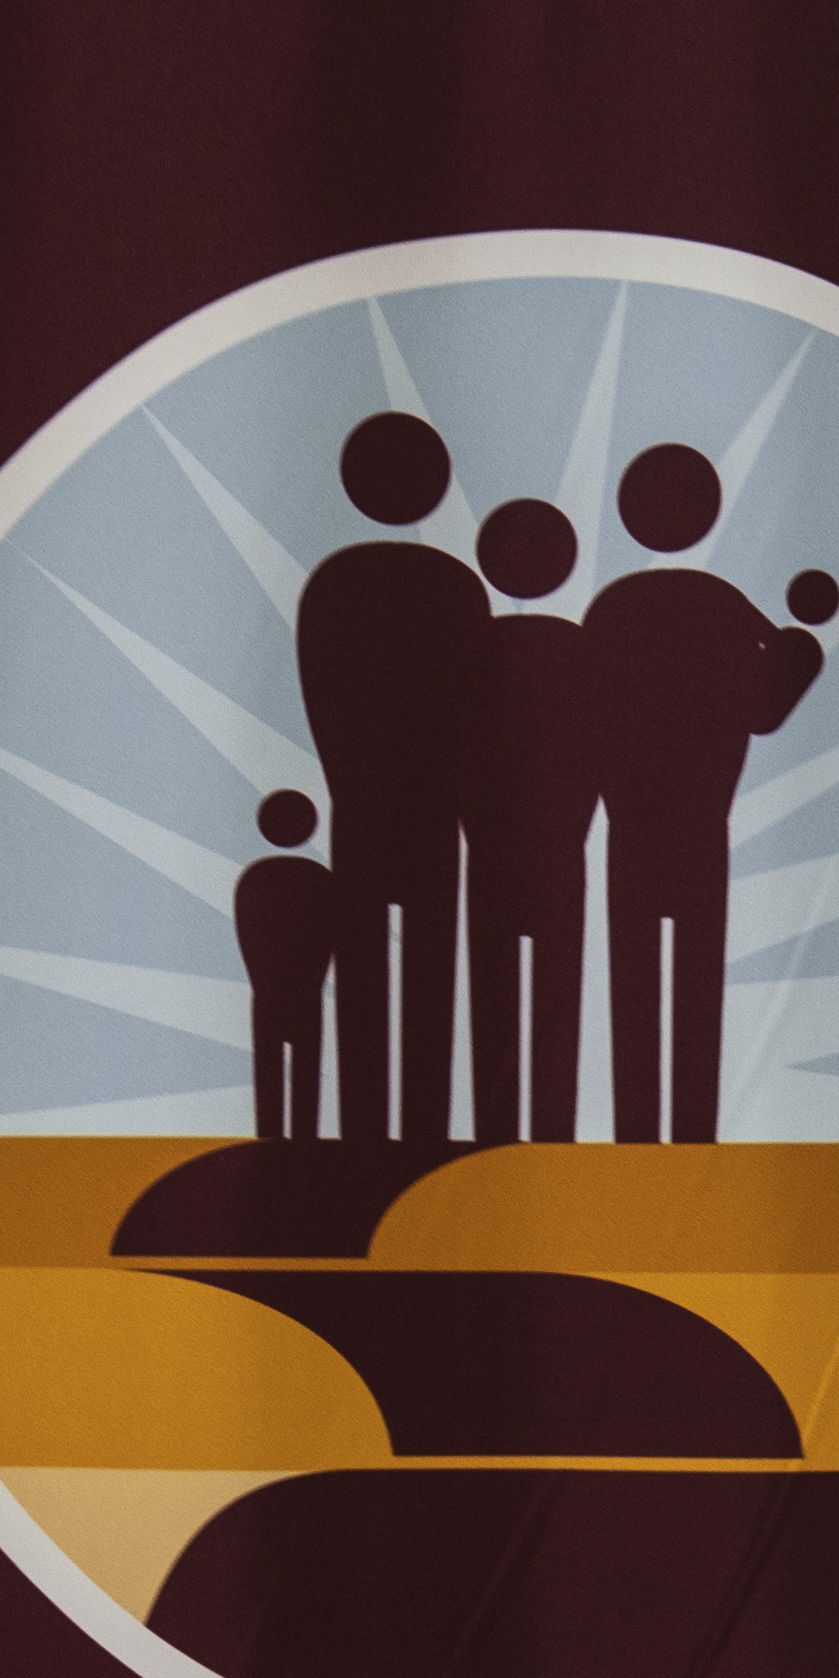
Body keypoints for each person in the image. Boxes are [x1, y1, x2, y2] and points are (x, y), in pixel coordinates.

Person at [580, 442, 826, 1142]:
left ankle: (634, 1139)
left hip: (627, 826)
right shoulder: (726, 608)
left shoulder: (611, 609)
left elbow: (584, 712)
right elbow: (766, 710)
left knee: (633, 983)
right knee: (695, 989)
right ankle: (693, 1143)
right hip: (697, 829)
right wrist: (800, 652)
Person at [291, 411, 484, 1141]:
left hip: (364, 814)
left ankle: (363, 1138)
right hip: (434, 817)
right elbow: (478, 709)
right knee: (430, 980)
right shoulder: (459, 590)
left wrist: (353, 783)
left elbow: (323, 701)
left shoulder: (332, 587)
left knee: (365, 984)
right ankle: (426, 1141)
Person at [461, 497, 601, 1144]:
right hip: (557, 854)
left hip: (490, 852)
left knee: (495, 997)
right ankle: (552, 1141)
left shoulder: (473, 650)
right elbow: (606, 751)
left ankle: (495, 1142)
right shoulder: (581, 651)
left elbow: (449, 745)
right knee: (555, 1001)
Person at [232, 789, 333, 1140]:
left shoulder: (254, 881)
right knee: (303, 1078)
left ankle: (274, 1147)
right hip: (302, 995)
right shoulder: (319, 881)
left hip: (273, 995)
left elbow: (249, 937)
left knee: (271, 1079)